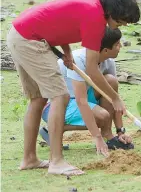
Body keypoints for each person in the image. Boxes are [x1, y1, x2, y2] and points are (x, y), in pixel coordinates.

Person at [6, 0, 140, 176]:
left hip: (19, 34)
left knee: (37, 99)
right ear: (111, 13)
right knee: (60, 96)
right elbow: (92, 69)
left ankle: (29, 159)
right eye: (119, 21)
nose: (120, 26)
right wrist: (115, 98)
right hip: (31, 40)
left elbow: (59, 23)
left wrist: (67, 52)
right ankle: (57, 161)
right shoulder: (96, 18)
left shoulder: (90, 2)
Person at [40, 27, 133, 156]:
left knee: (110, 81)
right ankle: (52, 128)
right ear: (106, 49)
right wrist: (97, 137)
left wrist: (120, 131)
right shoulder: (78, 60)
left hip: (80, 97)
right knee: (103, 116)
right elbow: (81, 101)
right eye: (117, 44)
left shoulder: (108, 61)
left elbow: (114, 97)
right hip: (56, 106)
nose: (121, 46)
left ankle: (109, 135)